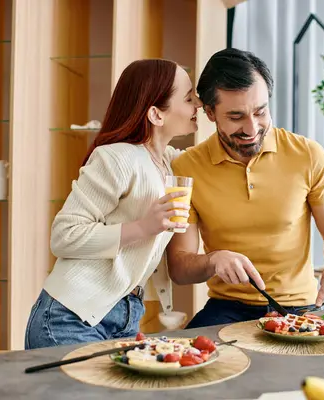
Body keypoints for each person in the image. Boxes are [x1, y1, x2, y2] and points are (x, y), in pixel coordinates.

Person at [167, 48, 324, 329]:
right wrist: (213, 260)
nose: (252, 128)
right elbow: (180, 268)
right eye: (235, 117)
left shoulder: (308, 155)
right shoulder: (186, 167)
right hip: (227, 307)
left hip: (298, 306)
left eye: (260, 111)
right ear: (209, 112)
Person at [24, 59, 202, 349]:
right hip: (70, 318)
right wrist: (143, 227)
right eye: (189, 97)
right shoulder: (116, 157)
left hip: (125, 318)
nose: (198, 105)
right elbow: (63, 236)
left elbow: (208, 154)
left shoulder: (169, 162)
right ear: (156, 114)